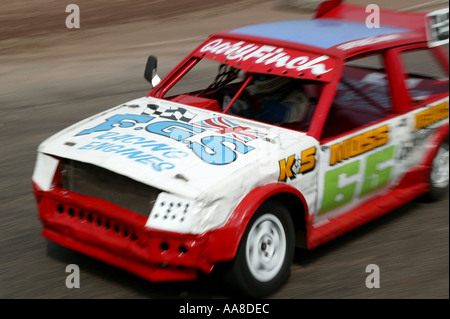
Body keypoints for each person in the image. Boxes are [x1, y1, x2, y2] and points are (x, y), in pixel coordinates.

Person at [239, 74, 310, 125]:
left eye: (263, 75)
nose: (260, 77)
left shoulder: (300, 98)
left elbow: (282, 114)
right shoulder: (255, 89)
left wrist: (252, 100)